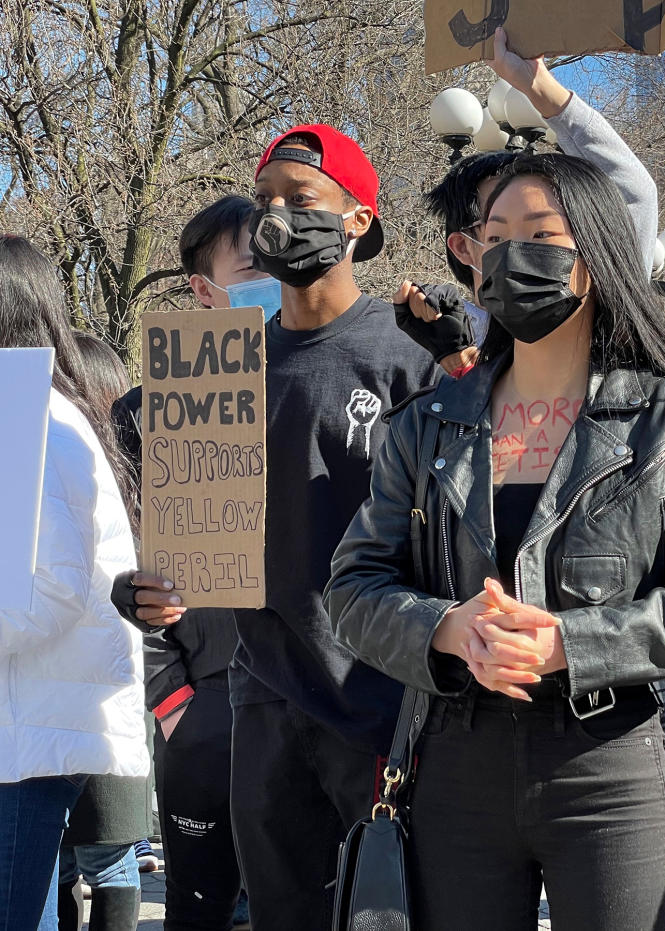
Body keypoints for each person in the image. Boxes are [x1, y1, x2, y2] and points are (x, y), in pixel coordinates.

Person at [325, 152, 665, 931]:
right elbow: (353, 586)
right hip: (453, 760)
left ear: (590, 260)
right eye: (492, 236)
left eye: (538, 233)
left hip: (607, 764)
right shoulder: (425, 424)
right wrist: (444, 628)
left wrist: (572, 641)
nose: (508, 254)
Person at [112, 128, 436, 930]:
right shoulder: (217, 366)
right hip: (265, 703)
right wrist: (146, 592)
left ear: (359, 219)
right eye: (267, 203)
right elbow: (183, 545)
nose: (278, 219)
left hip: (383, 706)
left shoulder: (409, 357)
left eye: (302, 199)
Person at [112, 196, 259, 931]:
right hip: (202, 709)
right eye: (254, 266)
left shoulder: (338, 386)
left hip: (317, 714)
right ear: (205, 289)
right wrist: (172, 701)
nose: (280, 278)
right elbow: (122, 563)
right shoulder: (146, 416)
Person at [0, 235, 146, 931]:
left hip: (29, 731)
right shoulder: (28, 413)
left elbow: (49, 587)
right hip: (25, 722)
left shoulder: (44, 420)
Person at [397, 26, 659, 378]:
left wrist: (541, 89)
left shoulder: (607, 311)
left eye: (541, 230)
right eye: (498, 230)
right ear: (463, 246)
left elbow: (633, 193)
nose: (520, 250)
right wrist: (455, 371)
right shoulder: (443, 361)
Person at [55, 332, 148, 931]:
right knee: (105, 857)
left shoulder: (63, 450)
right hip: (111, 691)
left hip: (89, 686)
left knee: (71, 858)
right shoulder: (118, 468)